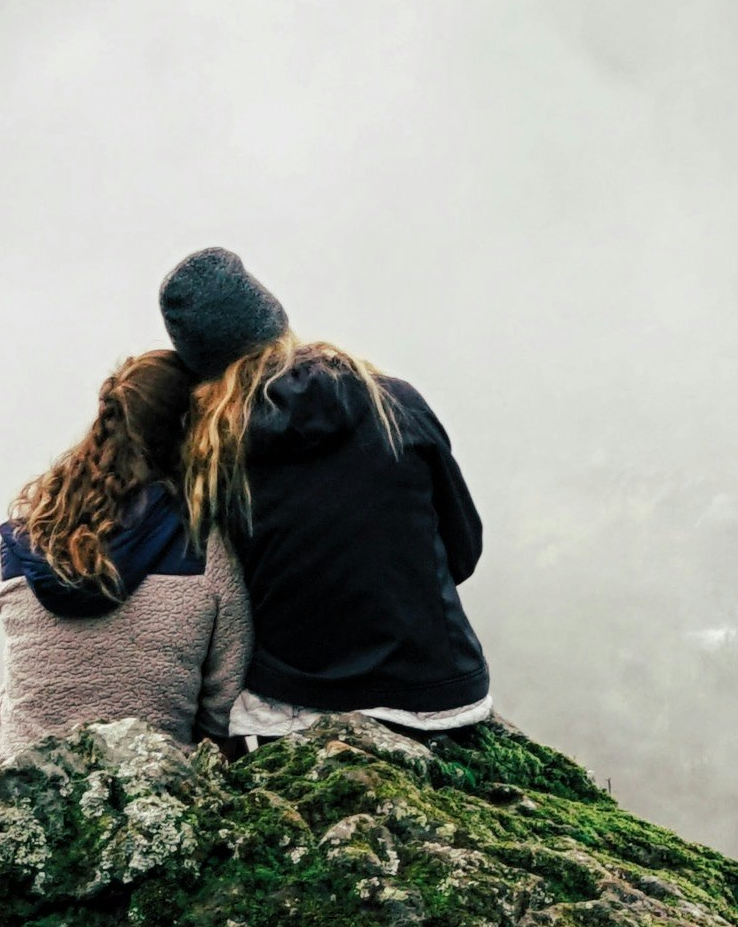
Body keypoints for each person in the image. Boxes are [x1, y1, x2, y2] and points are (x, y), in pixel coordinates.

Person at [164, 246, 496, 748]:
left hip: (295, 713)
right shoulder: (393, 401)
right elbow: (463, 550)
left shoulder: (209, 455)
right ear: (276, 322)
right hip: (440, 698)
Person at [0, 344, 252, 774]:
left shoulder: (27, 536)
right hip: (148, 792)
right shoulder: (206, 546)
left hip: (15, 785)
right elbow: (222, 714)